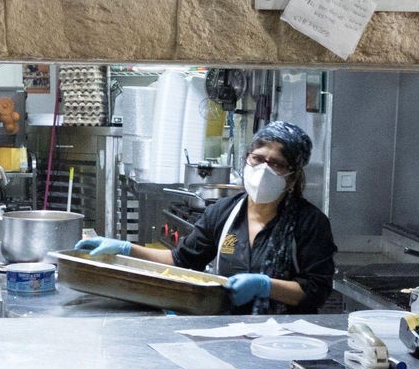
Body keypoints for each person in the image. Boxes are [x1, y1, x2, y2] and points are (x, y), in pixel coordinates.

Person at [78, 121, 337, 314]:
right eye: (257, 159)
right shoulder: (224, 213)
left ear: (292, 175)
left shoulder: (309, 223)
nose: (263, 170)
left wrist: (266, 286)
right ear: (247, 160)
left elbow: (315, 292)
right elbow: (182, 260)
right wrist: (125, 249)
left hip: (287, 342)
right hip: (228, 330)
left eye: (276, 164)